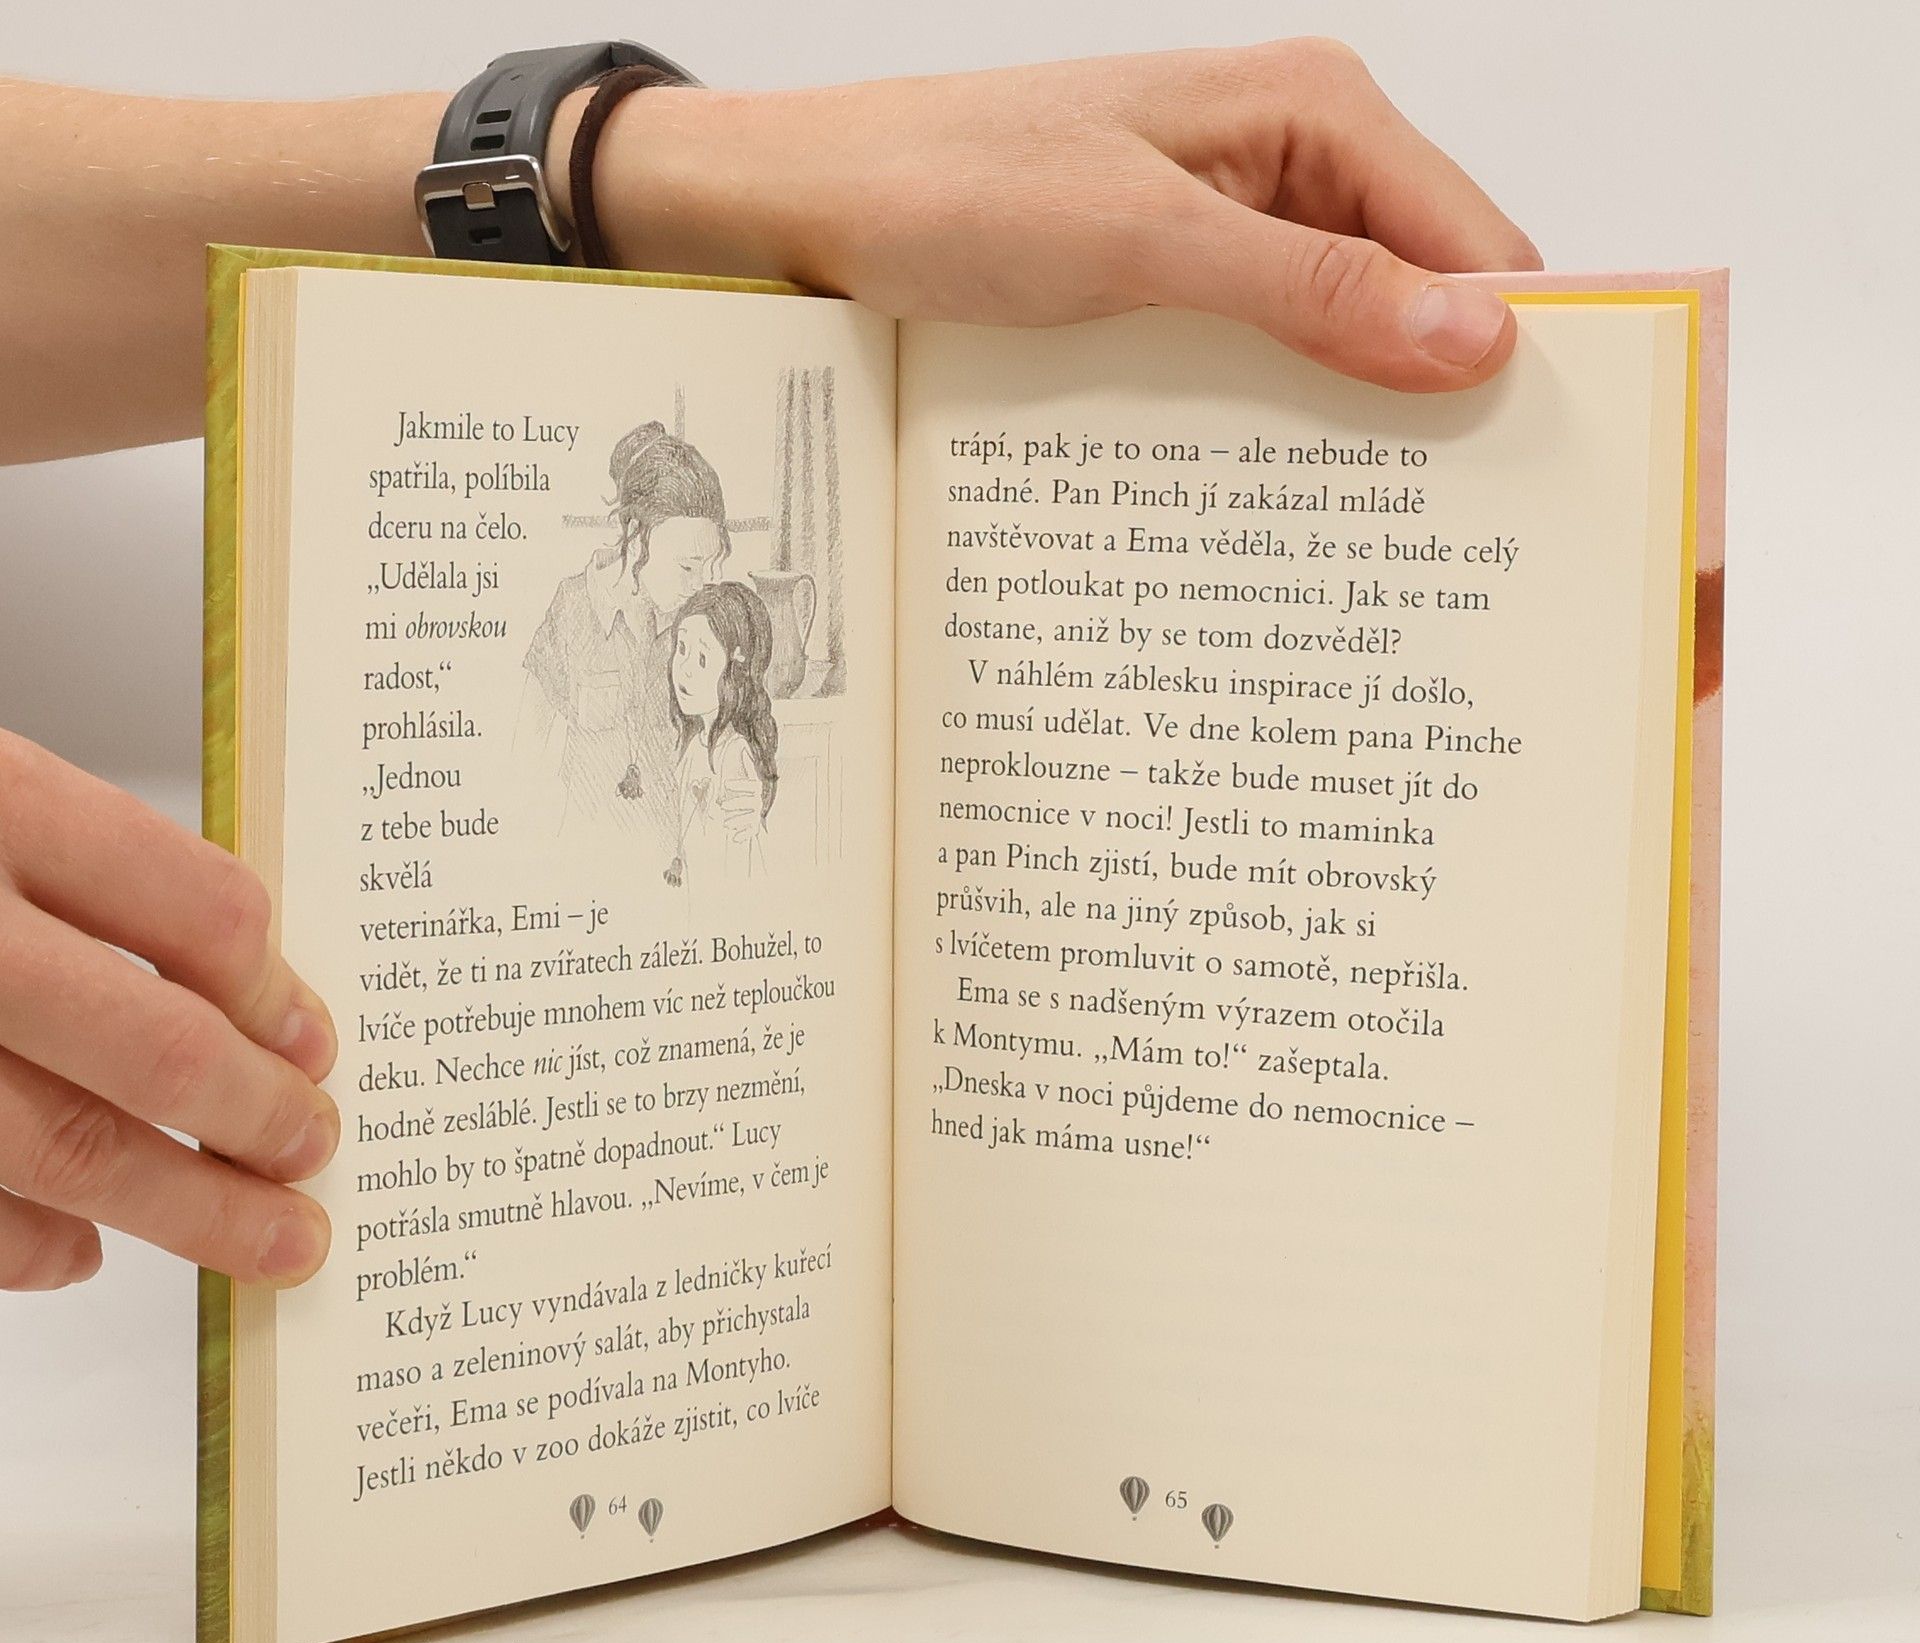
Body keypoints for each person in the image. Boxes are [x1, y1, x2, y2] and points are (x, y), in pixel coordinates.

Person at [0, 42, 1542, 1294]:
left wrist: (652, 170)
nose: (705, 595)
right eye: (684, 569)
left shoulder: (718, 694)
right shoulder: (567, 647)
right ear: (628, 548)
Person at [518, 422, 729, 857]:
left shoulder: (698, 622)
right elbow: (526, 748)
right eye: (687, 567)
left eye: (709, 566)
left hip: (676, 860)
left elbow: (733, 734)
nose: (700, 585)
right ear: (635, 536)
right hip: (586, 855)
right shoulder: (573, 605)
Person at [662, 582, 782, 891]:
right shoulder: (695, 743)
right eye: (682, 649)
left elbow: (740, 863)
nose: (685, 669)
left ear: (734, 674)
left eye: (702, 658)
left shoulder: (734, 754)